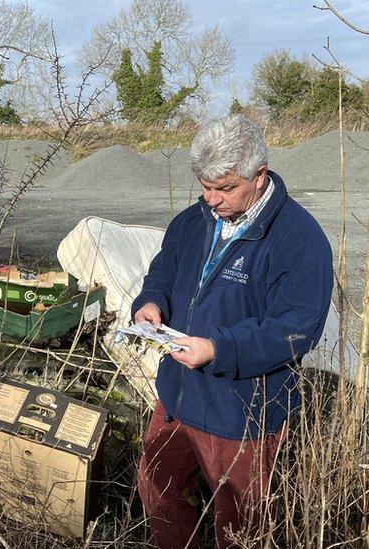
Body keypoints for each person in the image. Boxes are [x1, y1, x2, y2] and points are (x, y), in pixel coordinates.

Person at [132, 115, 333, 548]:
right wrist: (150, 302)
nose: (212, 198)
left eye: (225, 188)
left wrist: (219, 349)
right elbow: (164, 270)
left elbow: (296, 329)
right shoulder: (192, 220)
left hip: (241, 413)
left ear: (259, 176)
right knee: (156, 490)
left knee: (241, 528)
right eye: (205, 186)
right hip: (176, 396)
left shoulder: (300, 240)